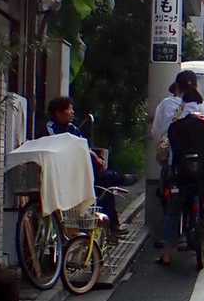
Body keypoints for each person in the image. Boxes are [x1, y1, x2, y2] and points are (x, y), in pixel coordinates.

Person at [158, 86, 204, 267]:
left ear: (182, 105)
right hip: (202, 175)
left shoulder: (175, 126)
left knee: (172, 211)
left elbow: (171, 152)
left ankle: (166, 255)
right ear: (199, 104)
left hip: (180, 175)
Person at [46, 97, 136, 238]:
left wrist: (95, 157)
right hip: (65, 173)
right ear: (58, 112)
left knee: (105, 187)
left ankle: (112, 225)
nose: (72, 112)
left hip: (80, 171)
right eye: (69, 109)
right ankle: (119, 180)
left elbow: (84, 146)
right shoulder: (50, 128)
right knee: (106, 180)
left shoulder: (72, 128)